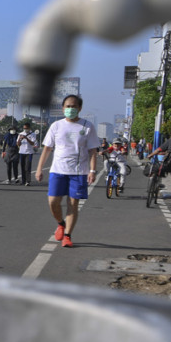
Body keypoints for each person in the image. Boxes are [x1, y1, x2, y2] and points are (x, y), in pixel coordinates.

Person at [34, 94, 100, 249]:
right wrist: (39, 169)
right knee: (53, 202)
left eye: (74, 106)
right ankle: (60, 223)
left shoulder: (87, 126)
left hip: (78, 172)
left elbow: (92, 151)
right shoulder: (56, 126)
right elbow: (47, 149)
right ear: (63, 108)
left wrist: (92, 171)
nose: (71, 109)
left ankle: (68, 236)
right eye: (68, 106)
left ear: (80, 108)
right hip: (58, 170)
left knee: (73, 204)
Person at [17, 120, 38, 186]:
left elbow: (32, 143)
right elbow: (18, 144)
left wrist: (26, 138)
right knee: (22, 167)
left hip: (29, 152)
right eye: (24, 128)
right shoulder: (21, 134)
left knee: (27, 167)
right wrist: (20, 139)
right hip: (21, 152)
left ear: (29, 128)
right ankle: (23, 180)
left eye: (26, 128)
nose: (25, 129)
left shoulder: (33, 134)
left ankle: (28, 181)